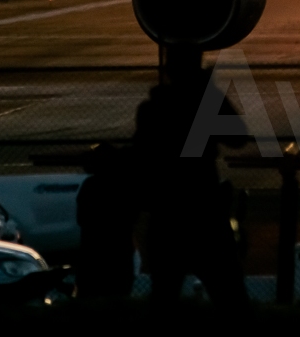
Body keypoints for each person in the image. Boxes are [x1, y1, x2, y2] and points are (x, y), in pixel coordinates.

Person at [134, 48, 249, 311]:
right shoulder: (203, 103)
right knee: (230, 296)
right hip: (203, 209)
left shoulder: (153, 109)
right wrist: (209, 94)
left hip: (168, 212)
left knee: (163, 295)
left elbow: (140, 158)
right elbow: (238, 137)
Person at [76, 142, 138, 300]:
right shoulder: (126, 186)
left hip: (93, 253)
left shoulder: (89, 187)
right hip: (119, 253)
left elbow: (82, 219)